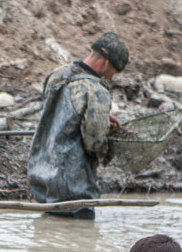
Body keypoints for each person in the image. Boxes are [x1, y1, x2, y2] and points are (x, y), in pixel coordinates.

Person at [27, 31, 129, 219]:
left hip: (41, 176)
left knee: (49, 230)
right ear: (107, 63)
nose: (111, 78)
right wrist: (108, 144)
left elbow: (60, 115)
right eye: (113, 72)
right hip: (73, 186)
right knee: (78, 233)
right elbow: (95, 141)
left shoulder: (57, 74)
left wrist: (99, 117)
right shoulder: (96, 90)